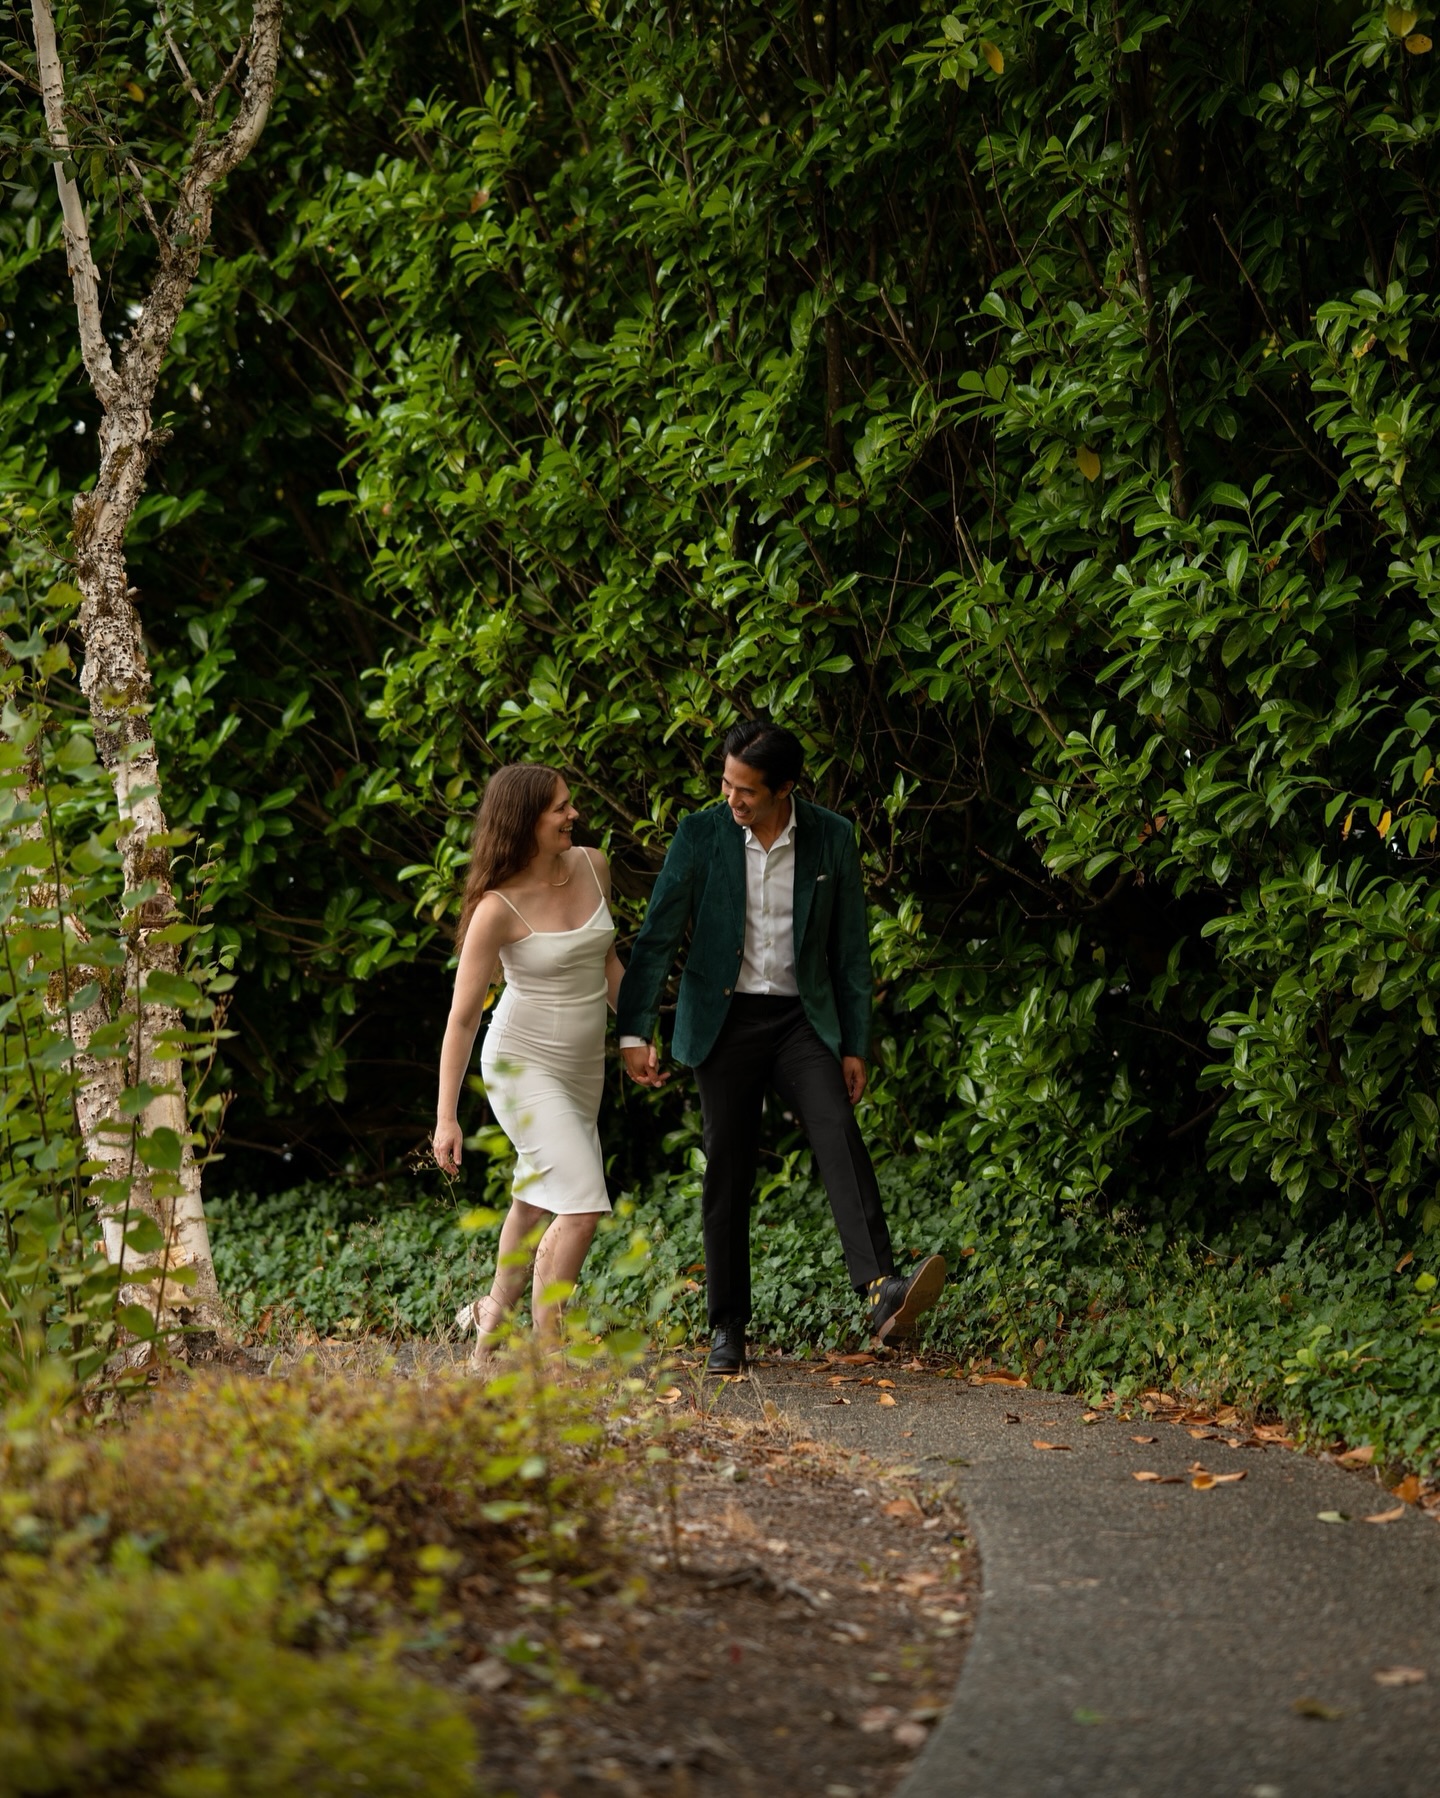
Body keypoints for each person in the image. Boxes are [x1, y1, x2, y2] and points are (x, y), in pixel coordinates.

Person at [617, 720, 945, 1373]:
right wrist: (634, 1030)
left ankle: (882, 1292)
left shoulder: (831, 838)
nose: (732, 798)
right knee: (728, 1166)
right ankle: (727, 1328)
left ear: (785, 789)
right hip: (724, 1020)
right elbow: (657, 935)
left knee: (837, 1131)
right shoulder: (702, 834)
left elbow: (851, 951)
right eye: (727, 783)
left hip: (802, 1020)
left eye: (747, 791)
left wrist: (854, 1042)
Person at [434, 764, 622, 1366]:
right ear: (523, 823)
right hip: (521, 1063)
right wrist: (447, 1118)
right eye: (559, 809)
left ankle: (487, 1335)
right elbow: (462, 1020)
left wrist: (642, 1034)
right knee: (582, 1203)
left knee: (537, 1198)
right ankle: (550, 1352)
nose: (573, 816)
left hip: (583, 1065)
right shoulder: (496, 908)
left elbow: (608, 962)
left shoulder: (595, 866)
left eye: (570, 804)